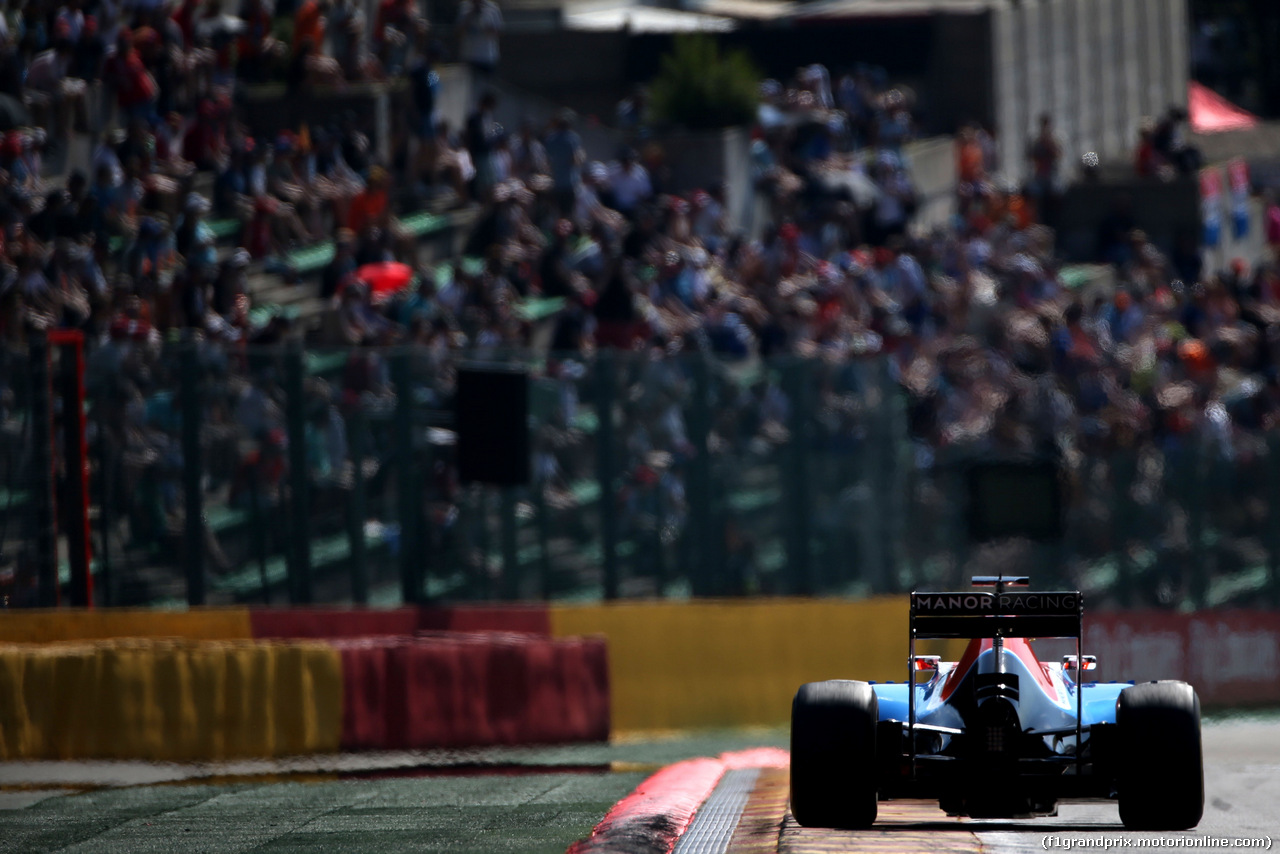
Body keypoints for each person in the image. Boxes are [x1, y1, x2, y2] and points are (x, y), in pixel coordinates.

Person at [456, 0, 501, 85]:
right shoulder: (464, 7)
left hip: (487, 57)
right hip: (469, 56)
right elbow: (459, 32)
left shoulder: (492, 8)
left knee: (486, 88)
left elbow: (498, 32)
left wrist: (486, 27)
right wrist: (470, 14)